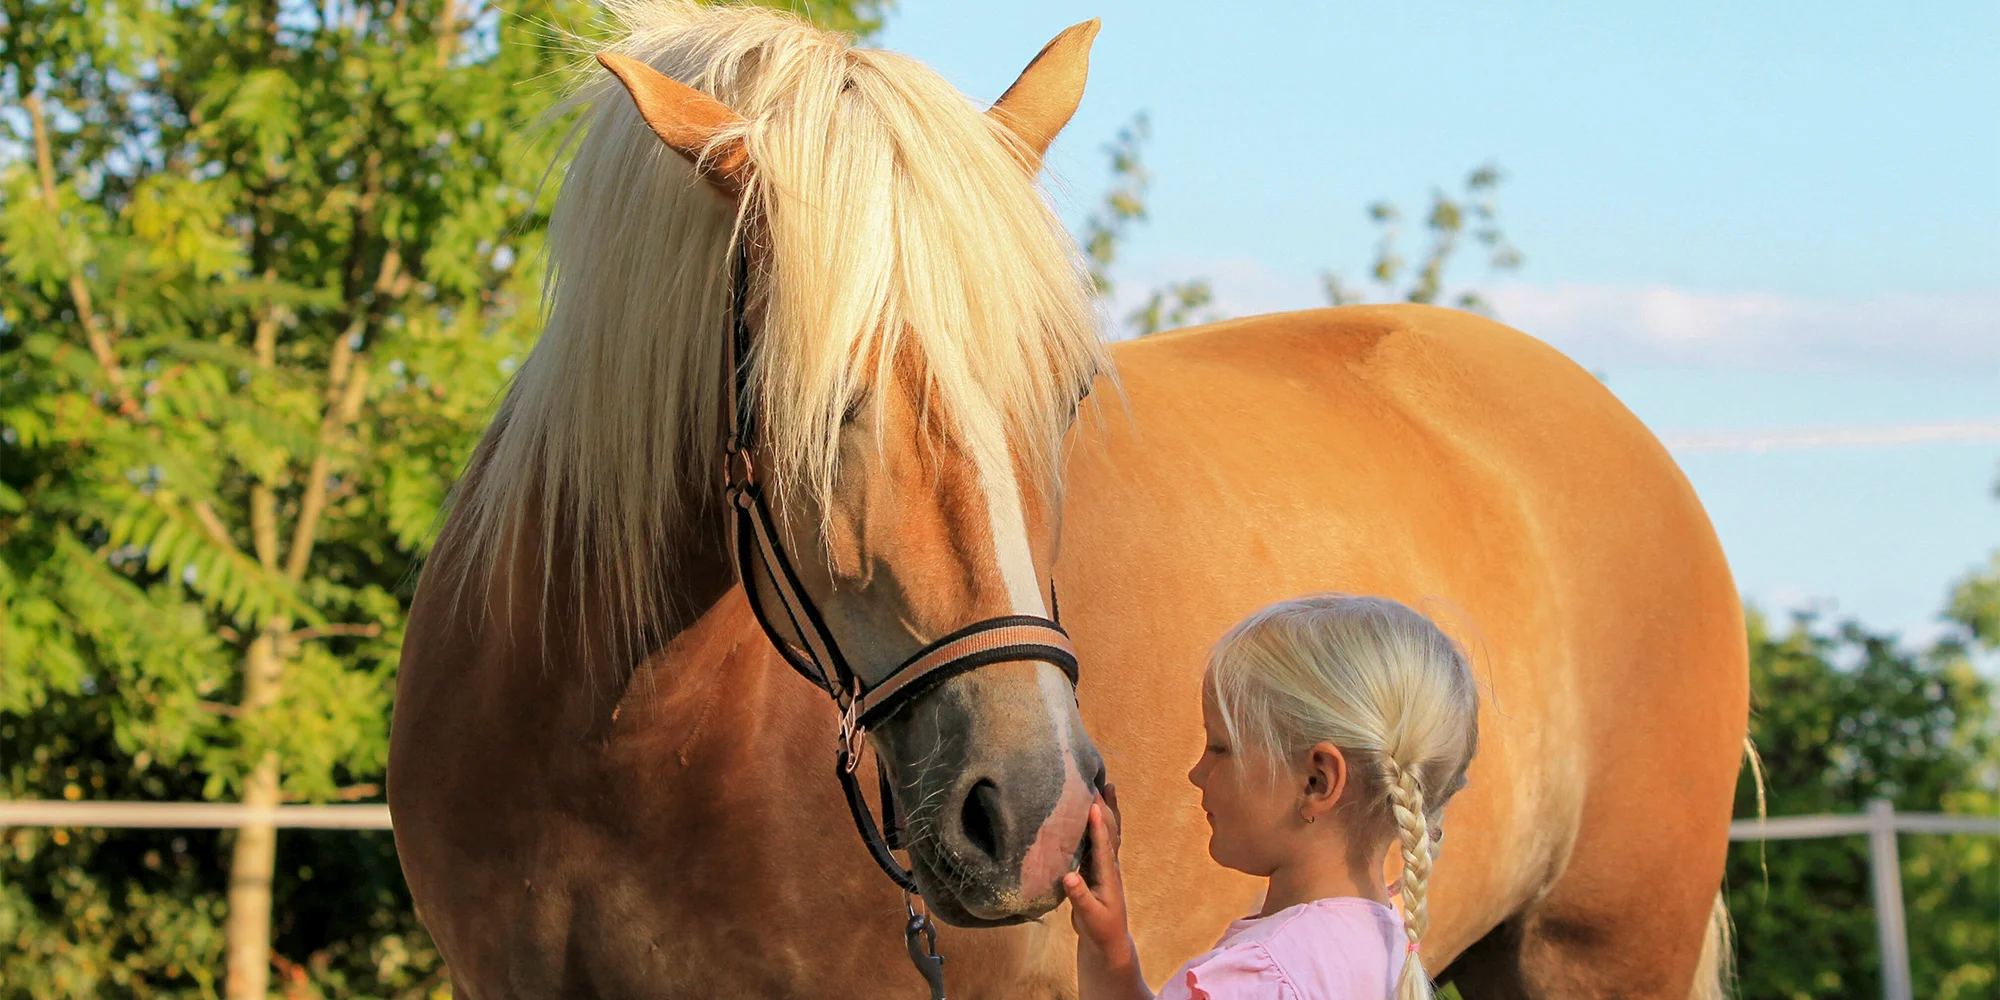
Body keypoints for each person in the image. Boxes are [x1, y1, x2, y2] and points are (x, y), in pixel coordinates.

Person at [1062, 595, 1480, 1000]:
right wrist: (1109, 949)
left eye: (1221, 748)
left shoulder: (1266, 978)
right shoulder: (1383, 947)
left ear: (1316, 782)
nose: (1197, 773)